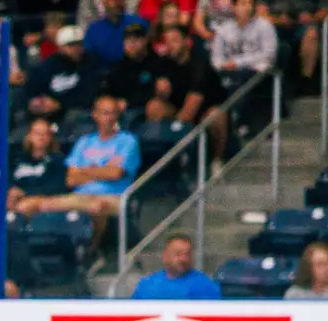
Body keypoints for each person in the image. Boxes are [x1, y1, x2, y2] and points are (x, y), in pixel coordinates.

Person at [33, 97, 140, 233]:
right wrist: (103, 171)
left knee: (95, 208)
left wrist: (85, 171)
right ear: (95, 115)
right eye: (105, 113)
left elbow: (116, 173)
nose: (110, 118)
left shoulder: (128, 140)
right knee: (45, 205)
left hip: (113, 197)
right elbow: (71, 179)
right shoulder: (84, 142)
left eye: (113, 113)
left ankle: (91, 252)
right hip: (81, 195)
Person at [156, 25, 229, 158]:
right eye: (167, 42)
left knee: (215, 116)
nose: (169, 45)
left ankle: (216, 161)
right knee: (154, 106)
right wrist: (161, 92)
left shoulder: (200, 65)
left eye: (174, 41)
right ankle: (158, 155)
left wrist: (175, 128)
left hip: (204, 111)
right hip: (177, 109)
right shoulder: (164, 63)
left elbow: (193, 104)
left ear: (187, 42)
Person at [27, 25, 101, 121]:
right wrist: (40, 101)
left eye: (79, 44)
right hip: (48, 111)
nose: (76, 49)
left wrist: (60, 104)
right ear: (60, 47)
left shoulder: (91, 62)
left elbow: (89, 95)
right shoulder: (50, 64)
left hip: (76, 111)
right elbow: (33, 86)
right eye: (71, 45)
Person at [131, 231, 221, 297]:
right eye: (178, 254)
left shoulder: (204, 286)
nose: (184, 259)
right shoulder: (147, 284)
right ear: (165, 256)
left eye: (187, 254)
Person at [9, 118, 67, 205]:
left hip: (42, 202)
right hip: (13, 200)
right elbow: (4, 179)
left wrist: (25, 192)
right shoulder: (16, 159)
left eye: (45, 134)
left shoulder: (57, 160)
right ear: (29, 136)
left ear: (51, 137)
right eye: (37, 133)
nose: (41, 137)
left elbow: (57, 187)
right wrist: (11, 190)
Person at [212, 0, 278, 71]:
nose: (248, 7)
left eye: (250, 4)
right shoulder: (224, 28)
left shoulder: (264, 26)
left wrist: (239, 62)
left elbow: (268, 54)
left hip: (255, 72)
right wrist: (222, 65)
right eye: (243, 4)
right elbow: (217, 56)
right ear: (234, 7)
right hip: (229, 72)